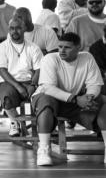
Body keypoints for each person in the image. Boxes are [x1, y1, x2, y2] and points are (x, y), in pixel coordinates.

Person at [31, 32, 106, 166]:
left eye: (67, 47)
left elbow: (95, 84)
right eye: (60, 47)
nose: (62, 51)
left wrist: (89, 98)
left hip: (74, 100)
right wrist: (76, 99)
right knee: (46, 102)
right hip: (48, 96)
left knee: (103, 103)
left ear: (78, 47)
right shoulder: (50, 58)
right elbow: (48, 88)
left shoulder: (87, 58)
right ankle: (44, 150)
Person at [0, 17, 43, 137]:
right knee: (7, 98)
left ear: (24, 28)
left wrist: (33, 85)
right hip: (8, 82)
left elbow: (39, 69)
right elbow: (2, 70)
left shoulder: (33, 48)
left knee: (44, 97)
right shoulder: (1, 48)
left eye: (18, 28)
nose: (15, 31)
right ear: (9, 30)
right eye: (12, 28)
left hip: (30, 81)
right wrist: (18, 87)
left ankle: (45, 124)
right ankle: (14, 122)